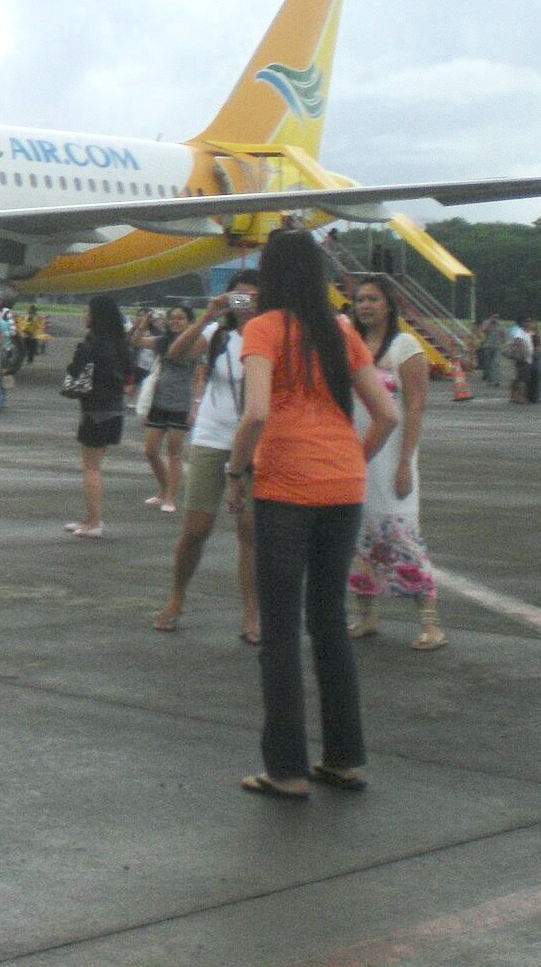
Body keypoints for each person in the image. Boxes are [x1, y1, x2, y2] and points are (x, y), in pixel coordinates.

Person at [227, 228, 397, 800]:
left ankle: (287, 769)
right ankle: (346, 758)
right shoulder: (342, 331)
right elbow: (388, 414)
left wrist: (235, 471)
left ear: (270, 275)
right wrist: (353, 457)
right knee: (328, 623)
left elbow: (254, 414)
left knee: (280, 632)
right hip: (342, 486)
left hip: (287, 487)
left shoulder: (263, 328)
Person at [155, 272, 262, 640]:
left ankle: (251, 613)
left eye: (252, 296)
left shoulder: (270, 337)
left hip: (253, 444)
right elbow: (176, 353)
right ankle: (176, 597)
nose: (245, 302)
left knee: (249, 531)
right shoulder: (218, 335)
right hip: (212, 437)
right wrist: (207, 314)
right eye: (239, 296)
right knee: (196, 529)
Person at [344, 276, 444, 651]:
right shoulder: (350, 345)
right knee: (357, 535)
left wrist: (405, 463)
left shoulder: (406, 347)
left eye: (373, 299)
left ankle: (430, 621)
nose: (365, 305)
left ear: (389, 305)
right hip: (355, 454)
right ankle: (366, 613)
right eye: (360, 299)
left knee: (401, 534)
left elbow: (416, 406)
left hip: (391, 458)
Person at [60, 295, 130, 540]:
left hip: (95, 410)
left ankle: (95, 521)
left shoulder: (92, 343)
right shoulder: (119, 343)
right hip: (114, 408)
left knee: (91, 468)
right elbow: (130, 371)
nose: (85, 316)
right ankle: (90, 519)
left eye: (88, 311)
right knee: (95, 465)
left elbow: (75, 370)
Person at [139, 305, 195, 512]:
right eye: (172, 318)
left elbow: (199, 377)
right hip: (159, 401)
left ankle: (170, 497)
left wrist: (195, 406)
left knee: (174, 453)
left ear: (189, 321)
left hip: (181, 403)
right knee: (150, 450)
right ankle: (163, 489)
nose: (175, 322)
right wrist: (143, 323)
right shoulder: (163, 342)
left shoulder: (196, 343)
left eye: (180, 318)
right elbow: (137, 342)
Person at [476, 314, 506, 387]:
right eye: (494, 317)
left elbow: (503, 335)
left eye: (497, 317)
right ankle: (490, 380)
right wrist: (489, 322)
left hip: (497, 347)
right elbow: (482, 330)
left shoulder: (500, 325)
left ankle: (497, 380)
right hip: (487, 346)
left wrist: (503, 344)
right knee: (488, 364)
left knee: (496, 363)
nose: (495, 319)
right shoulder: (486, 323)